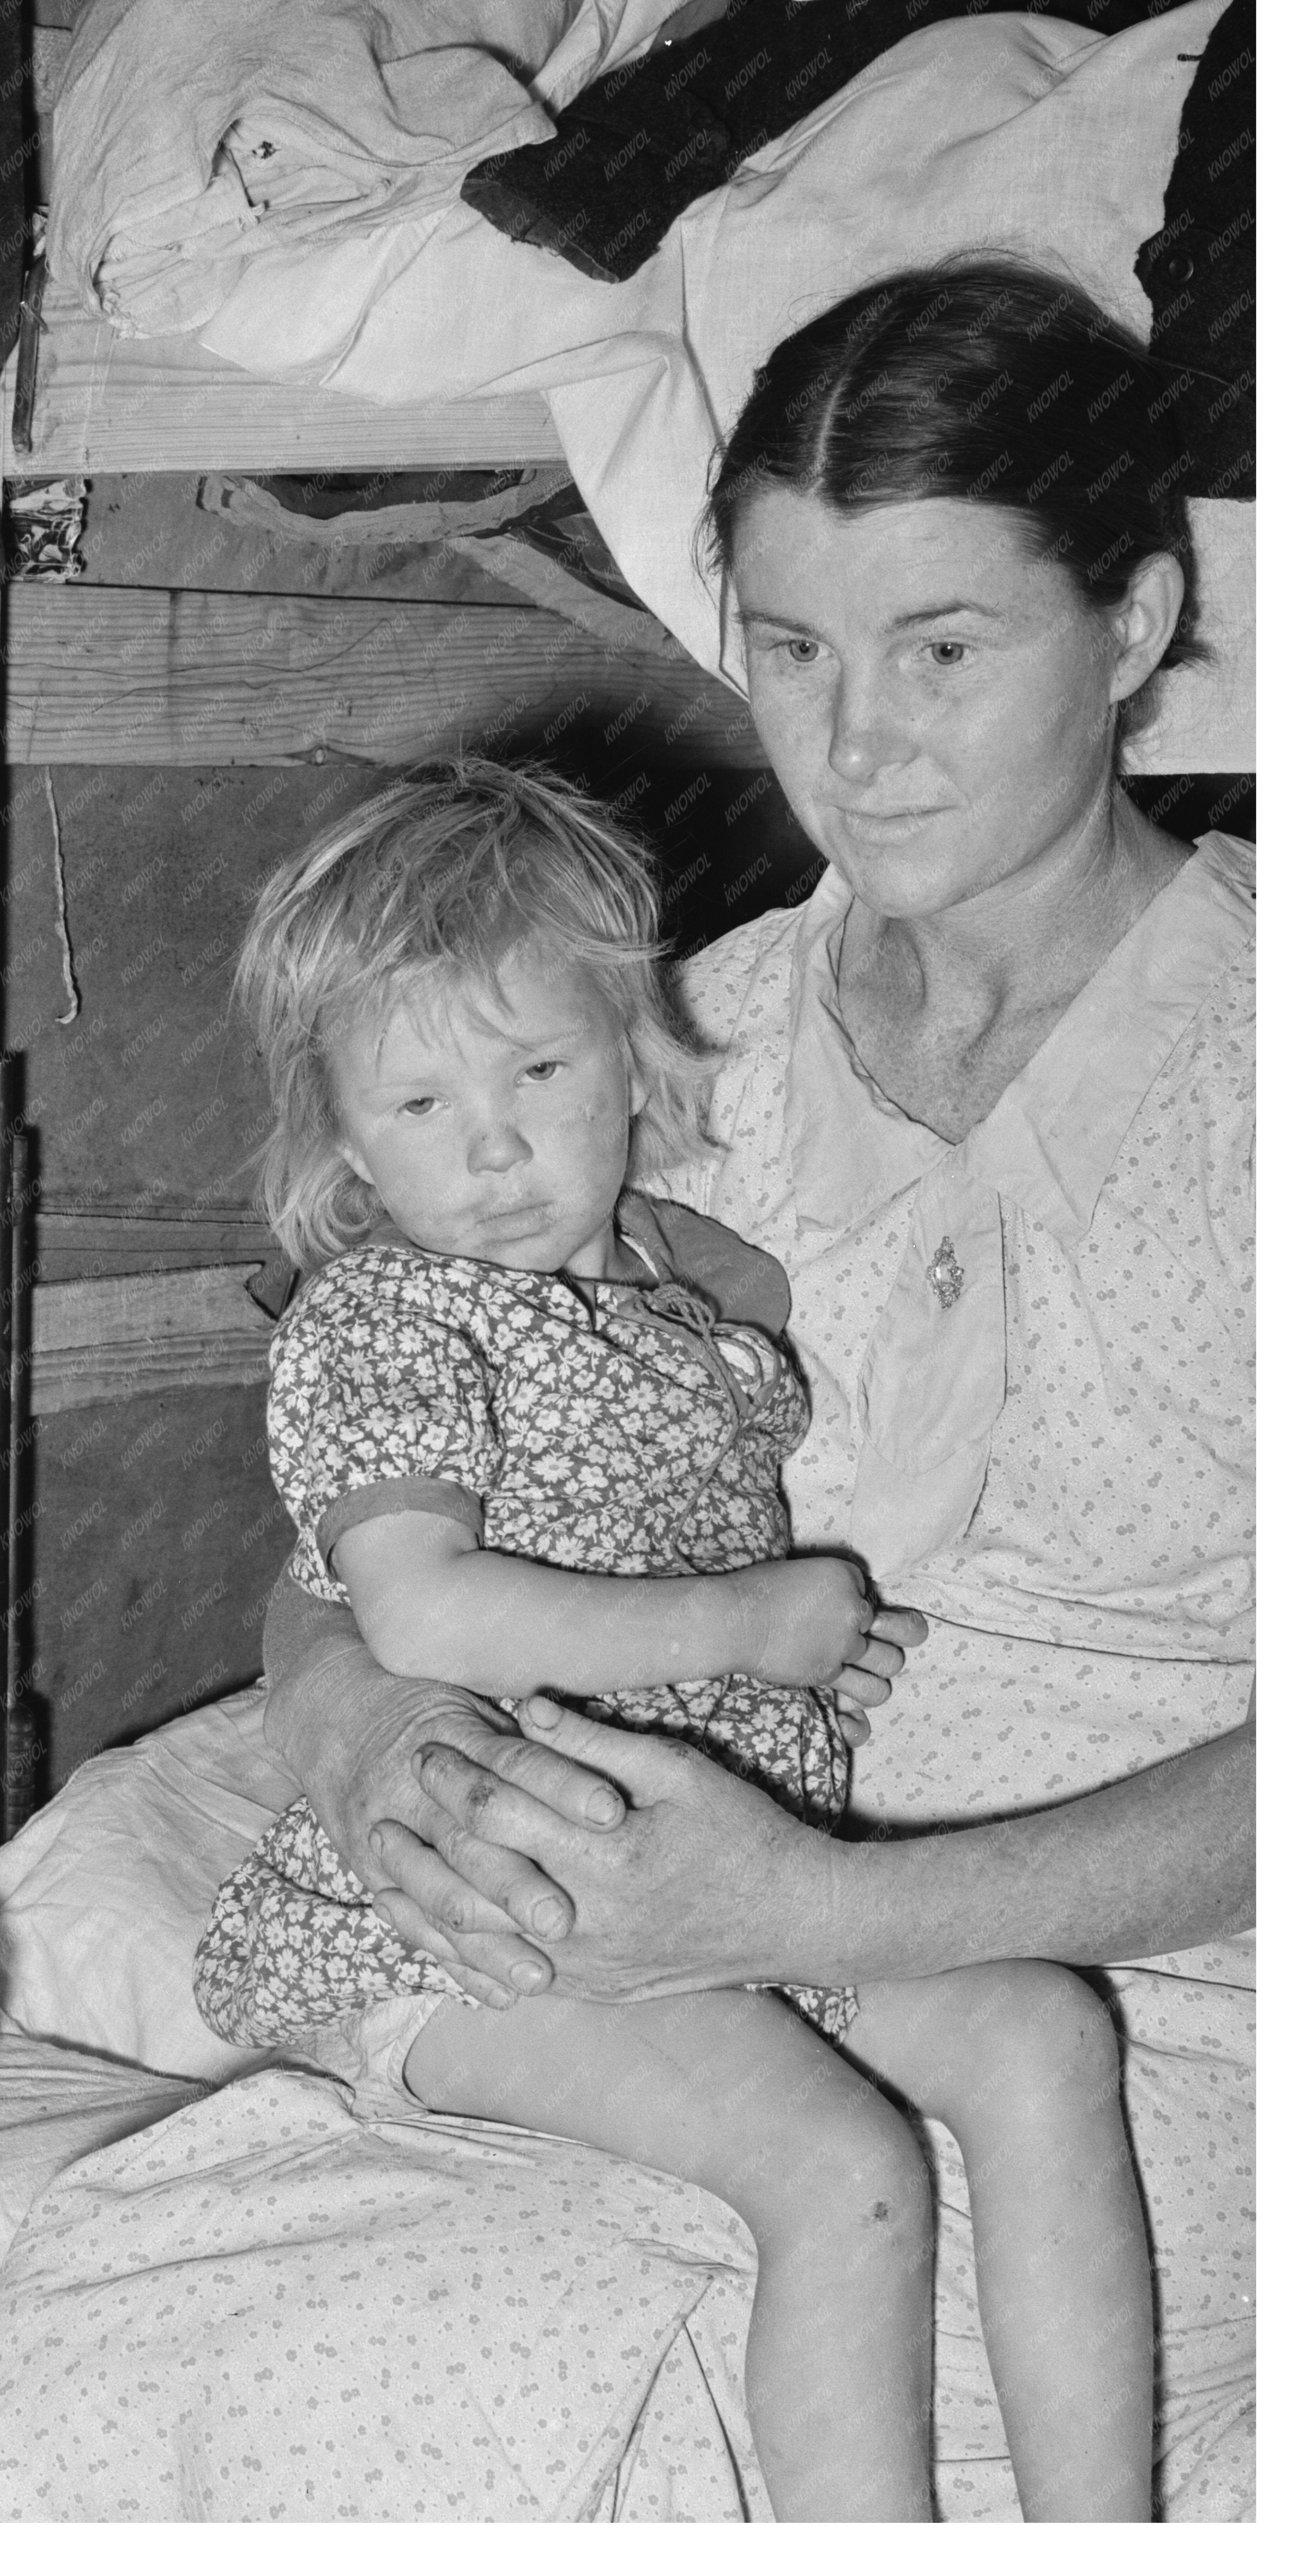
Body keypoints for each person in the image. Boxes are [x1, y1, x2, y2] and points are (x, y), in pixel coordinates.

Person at [261, 261, 1255, 2518]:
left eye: (943, 646)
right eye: (791, 649)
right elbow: (364, 1508)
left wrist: (824, 1914)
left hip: (1155, 1992)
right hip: (659, 1927)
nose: (856, 742)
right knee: (192, 2262)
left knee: (644, 2337)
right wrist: (378, 1742)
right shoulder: (642, 1039)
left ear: (1135, 617)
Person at [193, 759, 1154, 2521]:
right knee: (838, 2163)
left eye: (539, 1074)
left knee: (1038, 2035)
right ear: (337, 1135)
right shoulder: (390, 1317)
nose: (489, 1148)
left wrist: (781, 1663)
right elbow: (419, 1607)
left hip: (717, 1884)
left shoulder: (671, 1297)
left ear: (635, 1065)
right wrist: (745, 1622)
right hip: (484, 1909)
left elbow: (665, 1564)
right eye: (415, 1103)